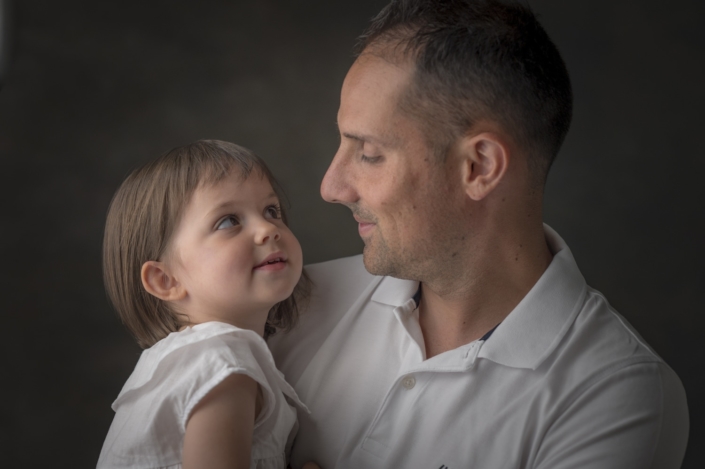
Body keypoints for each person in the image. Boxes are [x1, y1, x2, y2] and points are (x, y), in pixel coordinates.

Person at [268, 1, 690, 468]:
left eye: (368, 153)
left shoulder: (615, 394)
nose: (331, 187)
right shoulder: (289, 304)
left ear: (479, 166)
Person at [98, 140, 317, 469]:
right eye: (228, 221)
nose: (268, 229)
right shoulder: (224, 365)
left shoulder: (183, 360)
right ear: (166, 280)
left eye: (272, 211)